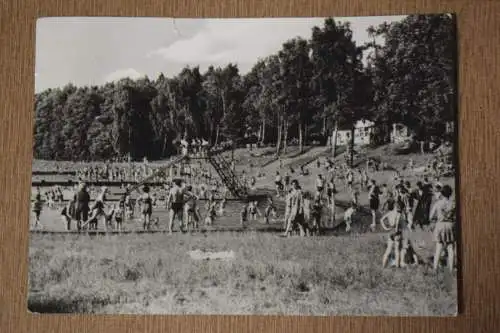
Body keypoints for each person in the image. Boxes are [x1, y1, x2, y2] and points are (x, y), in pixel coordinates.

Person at [430, 185, 456, 272]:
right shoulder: (453, 204)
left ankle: (435, 268)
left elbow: (431, 216)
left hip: (440, 225)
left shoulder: (438, 203)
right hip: (450, 225)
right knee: (450, 248)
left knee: (439, 247)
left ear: (442, 193)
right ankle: (451, 270)